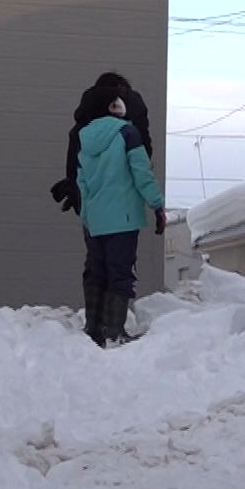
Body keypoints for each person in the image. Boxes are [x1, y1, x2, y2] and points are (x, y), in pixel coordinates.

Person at [73, 84, 165, 344]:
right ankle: (114, 332)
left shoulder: (85, 139)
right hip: (123, 220)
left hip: (96, 221)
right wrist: (157, 205)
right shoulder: (127, 134)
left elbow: (83, 184)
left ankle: (94, 329)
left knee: (97, 272)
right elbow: (142, 174)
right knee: (120, 274)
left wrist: (87, 218)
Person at [51, 72, 151, 214]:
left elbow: (74, 162)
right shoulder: (132, 126)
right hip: (124, 202)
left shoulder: (83, 127)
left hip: (92, 202)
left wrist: (74, 189)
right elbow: (144, 159)